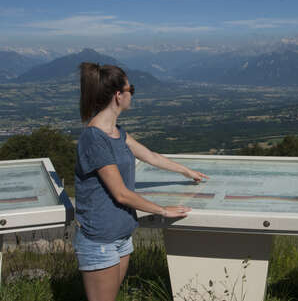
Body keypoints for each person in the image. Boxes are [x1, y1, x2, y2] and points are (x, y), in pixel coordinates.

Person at [73, 62, 209, 301]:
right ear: (118, 95)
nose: (132, 94)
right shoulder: (94, 138)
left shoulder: (117, 132)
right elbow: (121, 194)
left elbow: (150, 156)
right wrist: (162, 210)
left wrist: (188, 172)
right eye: (131, 89)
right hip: (100, 239)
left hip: (122, 235)